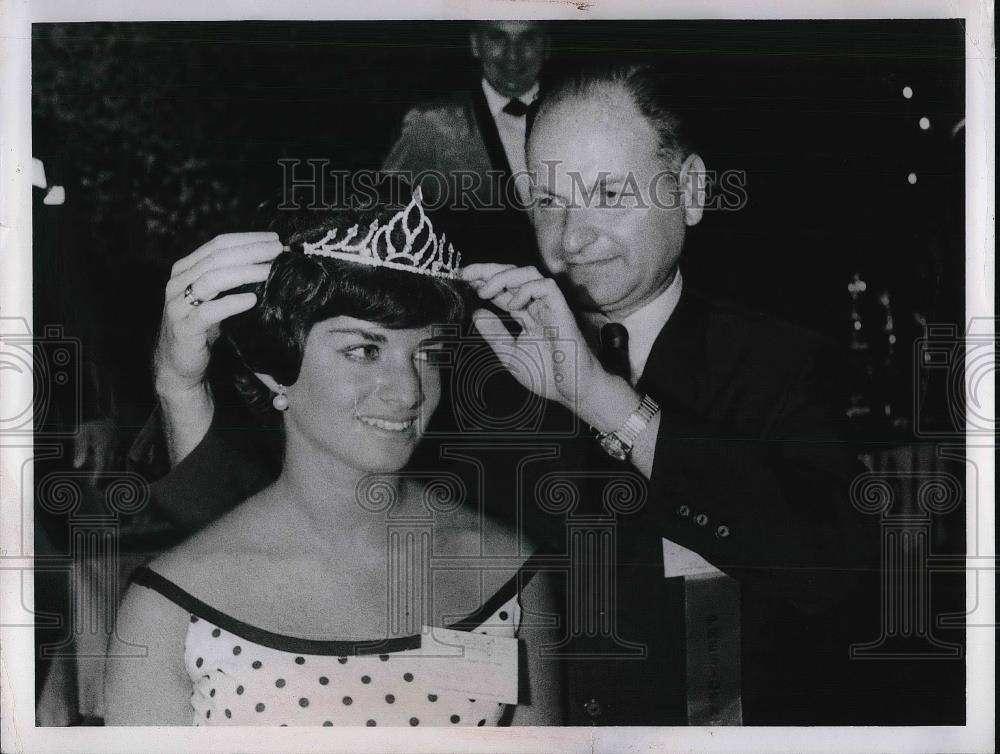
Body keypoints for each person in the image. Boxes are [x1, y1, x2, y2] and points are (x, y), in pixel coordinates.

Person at [142, 64, 880, 725]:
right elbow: (268, 549)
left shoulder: (780, 363)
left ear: (689, 190)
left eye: (609, 194)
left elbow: (834, 575)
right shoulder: (453, 361)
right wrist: (180, 383)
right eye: (548, 201)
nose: (573, 236)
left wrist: (603, 401)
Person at [104, 183, 561, 726]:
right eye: (364, 350)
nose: (408, 390)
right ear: (276, 370)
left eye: (427, 352)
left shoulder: (502, 570)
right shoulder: (171, 608)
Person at [381, 20, 550, 267]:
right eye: (497, 38)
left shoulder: (580, 115)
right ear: (475, 44)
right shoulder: (431, 125)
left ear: (547, 46)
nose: (513, 54)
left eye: (529, 38)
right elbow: (386, 223)